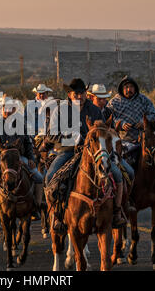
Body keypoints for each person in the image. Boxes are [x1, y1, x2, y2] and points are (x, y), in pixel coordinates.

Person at [42, 78, 126, 227]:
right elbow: (50, 135)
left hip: (94, 153)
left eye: (82, 93)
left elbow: (103, 132)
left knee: (118, 176)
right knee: (50, 177)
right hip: (67, 151)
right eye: (76, 94)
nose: (80, 97)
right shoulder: (59, 110)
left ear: (86, 94)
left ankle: (116, 212)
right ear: (69, 94)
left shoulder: (94, 110)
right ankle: (56, 215)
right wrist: (71, 137)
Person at [106, 76, 155, 201]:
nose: (129, 90)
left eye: (131, 87)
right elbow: (109, 117)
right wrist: (121, 124)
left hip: (145, 138)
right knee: (125, 161)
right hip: (125, 140)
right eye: (126, 87)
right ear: (122, 89)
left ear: (136, 88)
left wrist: (143, 122)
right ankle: (124, 189)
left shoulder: (143, 99)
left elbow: (153, 114)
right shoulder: (114, 102)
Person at [0, 96, 44, 221]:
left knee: (39, 177)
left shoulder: (20, 123)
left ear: (13, 109)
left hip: (18, 157)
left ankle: (36, 206)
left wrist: (31, 159)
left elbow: (28, 143)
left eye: (10, 108)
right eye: (5, 108)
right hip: (0, 157)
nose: (7, 111)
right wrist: (3, 149)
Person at [88, 83, 135, 214]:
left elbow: (113, 130)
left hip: (109, 151)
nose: (103, 101)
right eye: (100, 98)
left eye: (104, 98)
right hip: (93, 151)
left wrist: (117, 128)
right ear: (92, 98)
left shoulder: (108, 111)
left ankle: (121, 205)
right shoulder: (89, 111)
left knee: (129, 172)